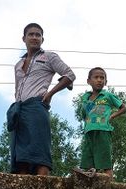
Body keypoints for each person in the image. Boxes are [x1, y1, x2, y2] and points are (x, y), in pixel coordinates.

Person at [9, 23, 76, 175]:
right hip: (18, 110)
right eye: (31, 34)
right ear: (23, 38)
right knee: (20, 158)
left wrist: (50, 93)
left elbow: (69, 75)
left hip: (36, 107)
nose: (34, 37)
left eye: (38, 35)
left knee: (40, 154)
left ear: (42, 39)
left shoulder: (49, 57)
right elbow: (17, 88)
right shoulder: (18, 64)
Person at [76, 67, 126, 178]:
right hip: (89, 131)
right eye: (96, 77)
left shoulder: (107, 95)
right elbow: (83, 115)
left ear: (105, 82)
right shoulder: (85, 98)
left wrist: (112, 116)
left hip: (103, 130)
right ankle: (88, 185)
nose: (99, 80)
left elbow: (124, 108)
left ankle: (109, 186)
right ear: (88, 81)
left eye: (102, 78)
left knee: (105, 163)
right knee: (87, 162)